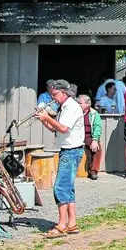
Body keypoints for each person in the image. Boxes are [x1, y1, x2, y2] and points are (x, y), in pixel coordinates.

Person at [37, 81, 84, 238]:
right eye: (52, 95)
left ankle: (62, 225)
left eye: (55, 95)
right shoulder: (64, 107)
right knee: (68, 188)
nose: (53, 98)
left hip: (71, 151)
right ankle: (71, 223)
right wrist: (43, 119)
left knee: (60, 188)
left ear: (64, 92)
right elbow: (56, 129)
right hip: (68, 150)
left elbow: (63, 128)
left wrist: (47, 117)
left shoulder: (71, 107)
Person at [78, 94, 104, 179]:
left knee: (97, 149)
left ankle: (93, 171)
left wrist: (95, 140)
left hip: (89, 136)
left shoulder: (93, 114)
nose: (78, 105)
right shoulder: (75, 113)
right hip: (77, 136)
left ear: (87, 104)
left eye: (80, 103)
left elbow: (98, 127)